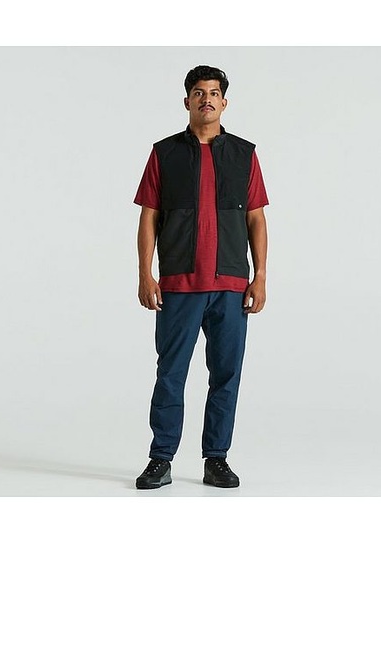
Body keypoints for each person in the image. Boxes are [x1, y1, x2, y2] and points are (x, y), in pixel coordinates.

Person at [133, 65, 269, 490]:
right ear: (187, 101)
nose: (205, 99)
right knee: (170, 374)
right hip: (179, 284)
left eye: (213, 93)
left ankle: (217, 459)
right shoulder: (164, 153)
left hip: (231, 286)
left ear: (224, 102)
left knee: (226, 375)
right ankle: (161, 459)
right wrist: (145, 274)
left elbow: (256, 219)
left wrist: (260, 276)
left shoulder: (244, 154)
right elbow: (149, 217)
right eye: (198, 92)